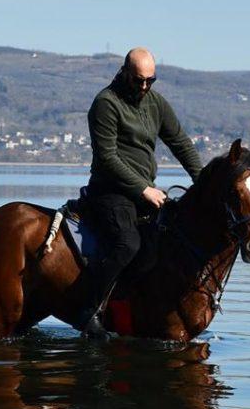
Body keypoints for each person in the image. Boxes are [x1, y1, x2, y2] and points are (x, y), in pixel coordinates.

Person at [77, 47, 203, 337]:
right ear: (124, 73)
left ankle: (136, 308)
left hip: (144, 192)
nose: (144, 87)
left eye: (150, 81)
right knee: (128, 245)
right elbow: (107, 158)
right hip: (110, 191)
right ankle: (88, 310)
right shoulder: (106, 103)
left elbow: (180, 142)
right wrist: (143, 189)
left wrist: (203, 181)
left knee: (166, 244)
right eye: (138, 81)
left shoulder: (155, 103)